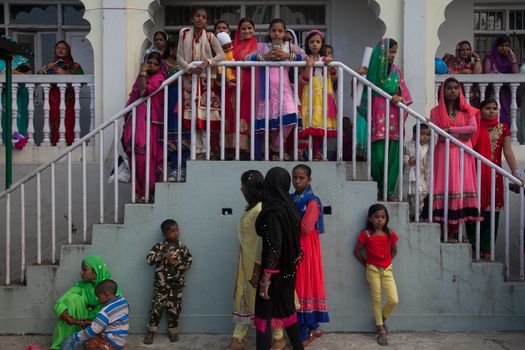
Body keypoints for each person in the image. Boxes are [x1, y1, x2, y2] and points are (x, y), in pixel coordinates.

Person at [227, 170, 285, 350]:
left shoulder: (260, 210)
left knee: (267, 301)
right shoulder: (253, 208)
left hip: (258, 265)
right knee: (245, 299)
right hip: (247, 262)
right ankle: (238, 338)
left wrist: (257, 270)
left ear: (249, 188)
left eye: (243, 185)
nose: (241, 189)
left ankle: (278, 338)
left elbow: (263, 244)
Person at [355, 38, 412, 201]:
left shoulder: (396, 72)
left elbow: (405, 94)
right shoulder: (371, 72)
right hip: (377, 121)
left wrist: (399, 98)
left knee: (393, 157)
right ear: (381, 53)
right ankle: (380, 187)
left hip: (394, 120)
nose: (392, 55)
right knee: (378, 157)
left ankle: (390, 191)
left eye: (394, 52)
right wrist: (358, 77)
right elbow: (359, 94)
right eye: (389, 52)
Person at [466, 99, 522, 259]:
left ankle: (487, 247)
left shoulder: (502, 128)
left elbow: (508, 151)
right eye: (488, 108)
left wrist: (516, 173)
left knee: (492, 212)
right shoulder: (474, 127)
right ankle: (473, 245)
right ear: (480, 110)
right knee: (473, 209)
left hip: (494, 175)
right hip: (474, 173)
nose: (492, 111)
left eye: (495, 108)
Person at [254, 167, 304, 350]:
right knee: (288, 315)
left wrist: (266, 277)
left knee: (264, 319)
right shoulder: (288, 207)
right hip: (287, 273)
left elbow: (275, 245)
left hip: (274, 274)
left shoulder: (273, 211)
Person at [431, 78, 481, 241]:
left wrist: (451, 130)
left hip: (463, 154)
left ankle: (458, 232)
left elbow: (473, 128)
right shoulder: (435, 112)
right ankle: (446, 230)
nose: (453, 91)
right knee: (446, 186)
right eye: (449, 88)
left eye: (455, 88)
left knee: (461, 186)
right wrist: (461, 134)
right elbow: (437, 131)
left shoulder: (468, 110)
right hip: (444, 152)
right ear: (443, 91)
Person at [247, 19, 304, 160]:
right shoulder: (262, 46)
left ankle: (278, 145)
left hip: (284, 90)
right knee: (271, 122)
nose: (277, 34)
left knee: (291, 116)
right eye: (274, 31)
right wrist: (265, 57)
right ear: (269, 32)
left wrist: (287, 56)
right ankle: (274, 151)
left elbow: (305, 56)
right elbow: (246, 58)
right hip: (267, 91)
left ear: (284, 33)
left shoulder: (289, 46)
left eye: (280, 31)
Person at [177, 7, 225, 159]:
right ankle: (195, 151)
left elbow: (221, 55)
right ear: (192, 18)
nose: (200, 19)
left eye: (203, 17)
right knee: (192, 117)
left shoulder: (210, 36)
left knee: (204, 117)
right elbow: (179, 57)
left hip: (206, 81)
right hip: (189, 79)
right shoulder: (184, 34)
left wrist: (207, 62)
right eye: (197, 16)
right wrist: (189, 69)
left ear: (206, 21)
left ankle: (205, 150)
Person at [291, 164, 329, 346]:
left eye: (301, 178)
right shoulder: (291, 198)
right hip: (294, 244)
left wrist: (287, 221)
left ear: (309, 179)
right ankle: (313, 326)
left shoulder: (312, 201)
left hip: (305, 246)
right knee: (299, 285)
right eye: (295, 178)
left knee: (303, 285)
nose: (297, 181)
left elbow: (306, 228)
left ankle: (305, 333)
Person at [121, 52, 165, 203]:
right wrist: (142, 74)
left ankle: (147, 191)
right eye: (149, 63)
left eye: (155, 64)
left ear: (159, 66)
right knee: (135, 156)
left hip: (149, 122)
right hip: (135, 120)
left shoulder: (159, 78)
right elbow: (134, 96)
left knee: (145, 157)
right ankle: (138, 192)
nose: (151, 66)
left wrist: (142, 73)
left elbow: (144, 93)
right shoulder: (141, 78)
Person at [353, 204, 399, 347]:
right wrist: (367, 264)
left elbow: (394, 251)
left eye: (383, 217)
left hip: (387, 270)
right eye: (376, 217)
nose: (380, 220)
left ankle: (381, 319)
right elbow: (357, 252)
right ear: (370, 218)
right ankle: (380, 330)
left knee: (393, 300)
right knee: (376, 299)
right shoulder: (366, 234)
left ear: (386, 219)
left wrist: (386, 263)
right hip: (372, 269)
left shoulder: (390, 233)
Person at [144, 219, 193, 344]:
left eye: (177, 230)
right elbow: (149, 260)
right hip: (161, 286)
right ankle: (151, 332)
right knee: (156, 309)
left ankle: (173, 331)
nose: (176, 233)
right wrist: (162, 256)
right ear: (165, 234)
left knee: (174, 309)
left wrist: (177, 264)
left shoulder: (182, 247)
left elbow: (188, 263)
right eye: (172, 231)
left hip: (176, 286)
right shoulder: (159, 247)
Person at [50, 256, 114, 349]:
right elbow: (60, 302)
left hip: (101, 328)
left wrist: (91, 322)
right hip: (80, 324)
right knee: (72, 298)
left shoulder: (111, 289)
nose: (81, 273)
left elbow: (115, 315)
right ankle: (68, 341)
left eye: (84, 270)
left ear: (95, 272)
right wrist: (68, 318)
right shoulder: (82, 286)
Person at [299, 30, 337, 161]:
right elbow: (304, 79)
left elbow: (333, 76)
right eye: (311, 42)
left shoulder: (324, 60)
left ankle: (318, 152)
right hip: (310, 96)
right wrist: (309, 66)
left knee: (321, 124)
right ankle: (315, 153)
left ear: (322, 44)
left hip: (323, 96)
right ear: (307, 44)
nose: (314, 44)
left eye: (318, 42)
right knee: (312, 124)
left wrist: (331, 64)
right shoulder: (305, 59)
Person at [61, 279, 129, 350]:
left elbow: (93, 330)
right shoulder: (123, 302)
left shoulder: (105, 312)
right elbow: (113, 320)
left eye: (99, 297)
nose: (98, 299)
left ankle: (110, 348)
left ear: (106, 294)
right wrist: (89, 322)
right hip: (121, 339)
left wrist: (76, 336)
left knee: (90, 342)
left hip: (112, 341)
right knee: (98, 334)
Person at [38, 40, 84, 146]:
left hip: (68, 98)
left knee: (68, 120)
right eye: (58, 47)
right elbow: (38, 76)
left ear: (68, 51)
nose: (60, 49)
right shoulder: (52, 65)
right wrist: (44, 69)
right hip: (54, 98)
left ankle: (69, 144)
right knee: (54, 122)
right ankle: (55, 143)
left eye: (63, 48)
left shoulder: (75, 66)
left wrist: (66, 73)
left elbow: (81, 79)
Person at [163, 36, 189, 181]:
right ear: (171, 49)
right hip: (171, 103)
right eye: (178, 48)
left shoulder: (188, 64)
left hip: (186, 102)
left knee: (185, 134)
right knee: (173, 134)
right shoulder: (163, 65)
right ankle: (175, 168)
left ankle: (184, 167)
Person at [232, 17, 258, 157]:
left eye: (249, 28)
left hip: (252, 84)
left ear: (254, 30)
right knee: (236, 113)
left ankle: (253, 149)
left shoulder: (259, 46)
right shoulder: (232, 46)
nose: (247, 31)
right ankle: (237, 149)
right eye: (243, 28)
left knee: (251, 112)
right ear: (239, 30)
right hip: (235, 85)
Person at [0, 35, 31, 145]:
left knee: (19, 115)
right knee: (4, 116)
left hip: (20, 94)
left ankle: (19, 140)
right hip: (3, 94)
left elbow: (29, 73)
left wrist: (12, 71)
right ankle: (4, 140)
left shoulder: (21, 59)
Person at [483, 35, 520, 126]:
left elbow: (516, 74)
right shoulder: (490, 58)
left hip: (506, 94)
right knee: (494, 117)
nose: (504, 48)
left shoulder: (509, 59)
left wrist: (513, 58)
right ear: (496, 46)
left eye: (507, 45)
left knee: (507, 119)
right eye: (501, 45)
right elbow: (487, 73)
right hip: (493, 93)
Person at [403, 123, 431, 221]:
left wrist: (430, 123)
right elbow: (401, 156)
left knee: (420, 195)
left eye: (427, 135)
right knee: (408, 195)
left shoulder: (428, 147)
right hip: (409, 175)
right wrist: (407, 160)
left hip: (422, 176)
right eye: (422, 134)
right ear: (414, 134)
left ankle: (417, 214)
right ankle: (409, 214)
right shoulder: (407, 145)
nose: (425, 137)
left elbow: (435, 137)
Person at [217, 31, 237, 157]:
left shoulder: (232, 52)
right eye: (225, 47)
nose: (228, 48)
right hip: (226, 82)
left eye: (229, 45)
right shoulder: (222, 55)